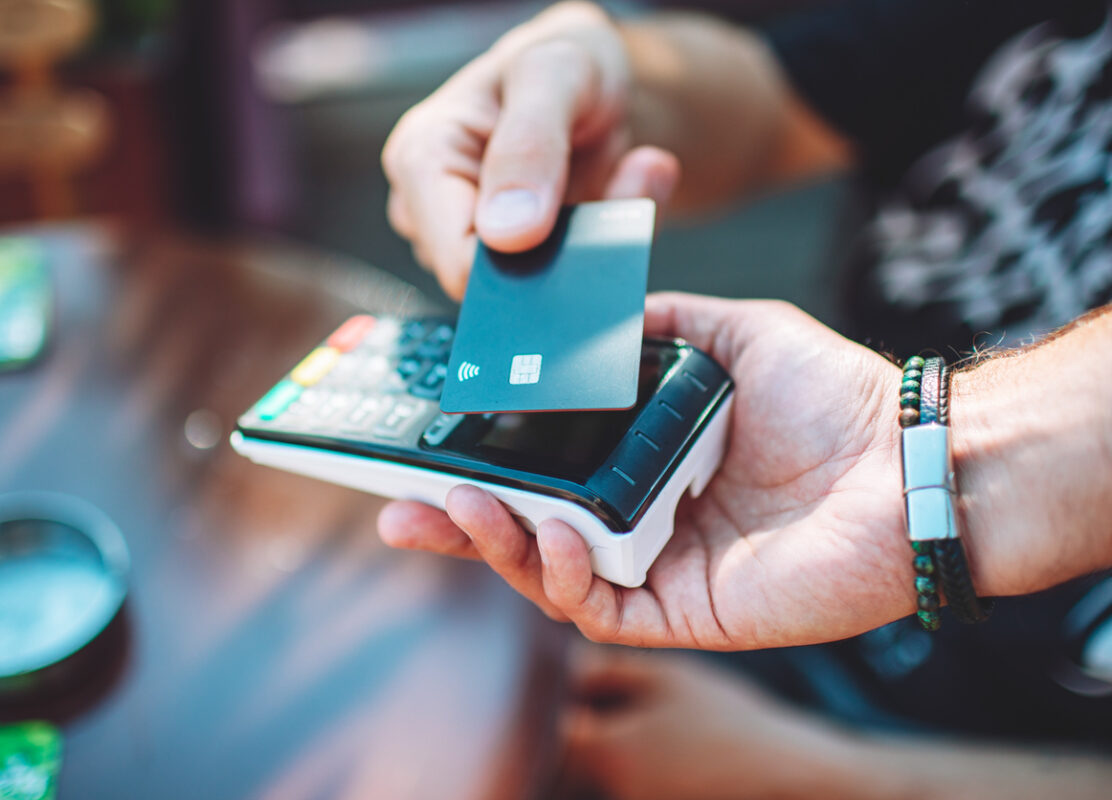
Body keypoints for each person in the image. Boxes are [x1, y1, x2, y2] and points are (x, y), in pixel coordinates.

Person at [375, 1, 1112, 795]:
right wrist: (602, 82)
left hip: (970, 752)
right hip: (770, 529)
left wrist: (826, 776)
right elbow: (780, 100)